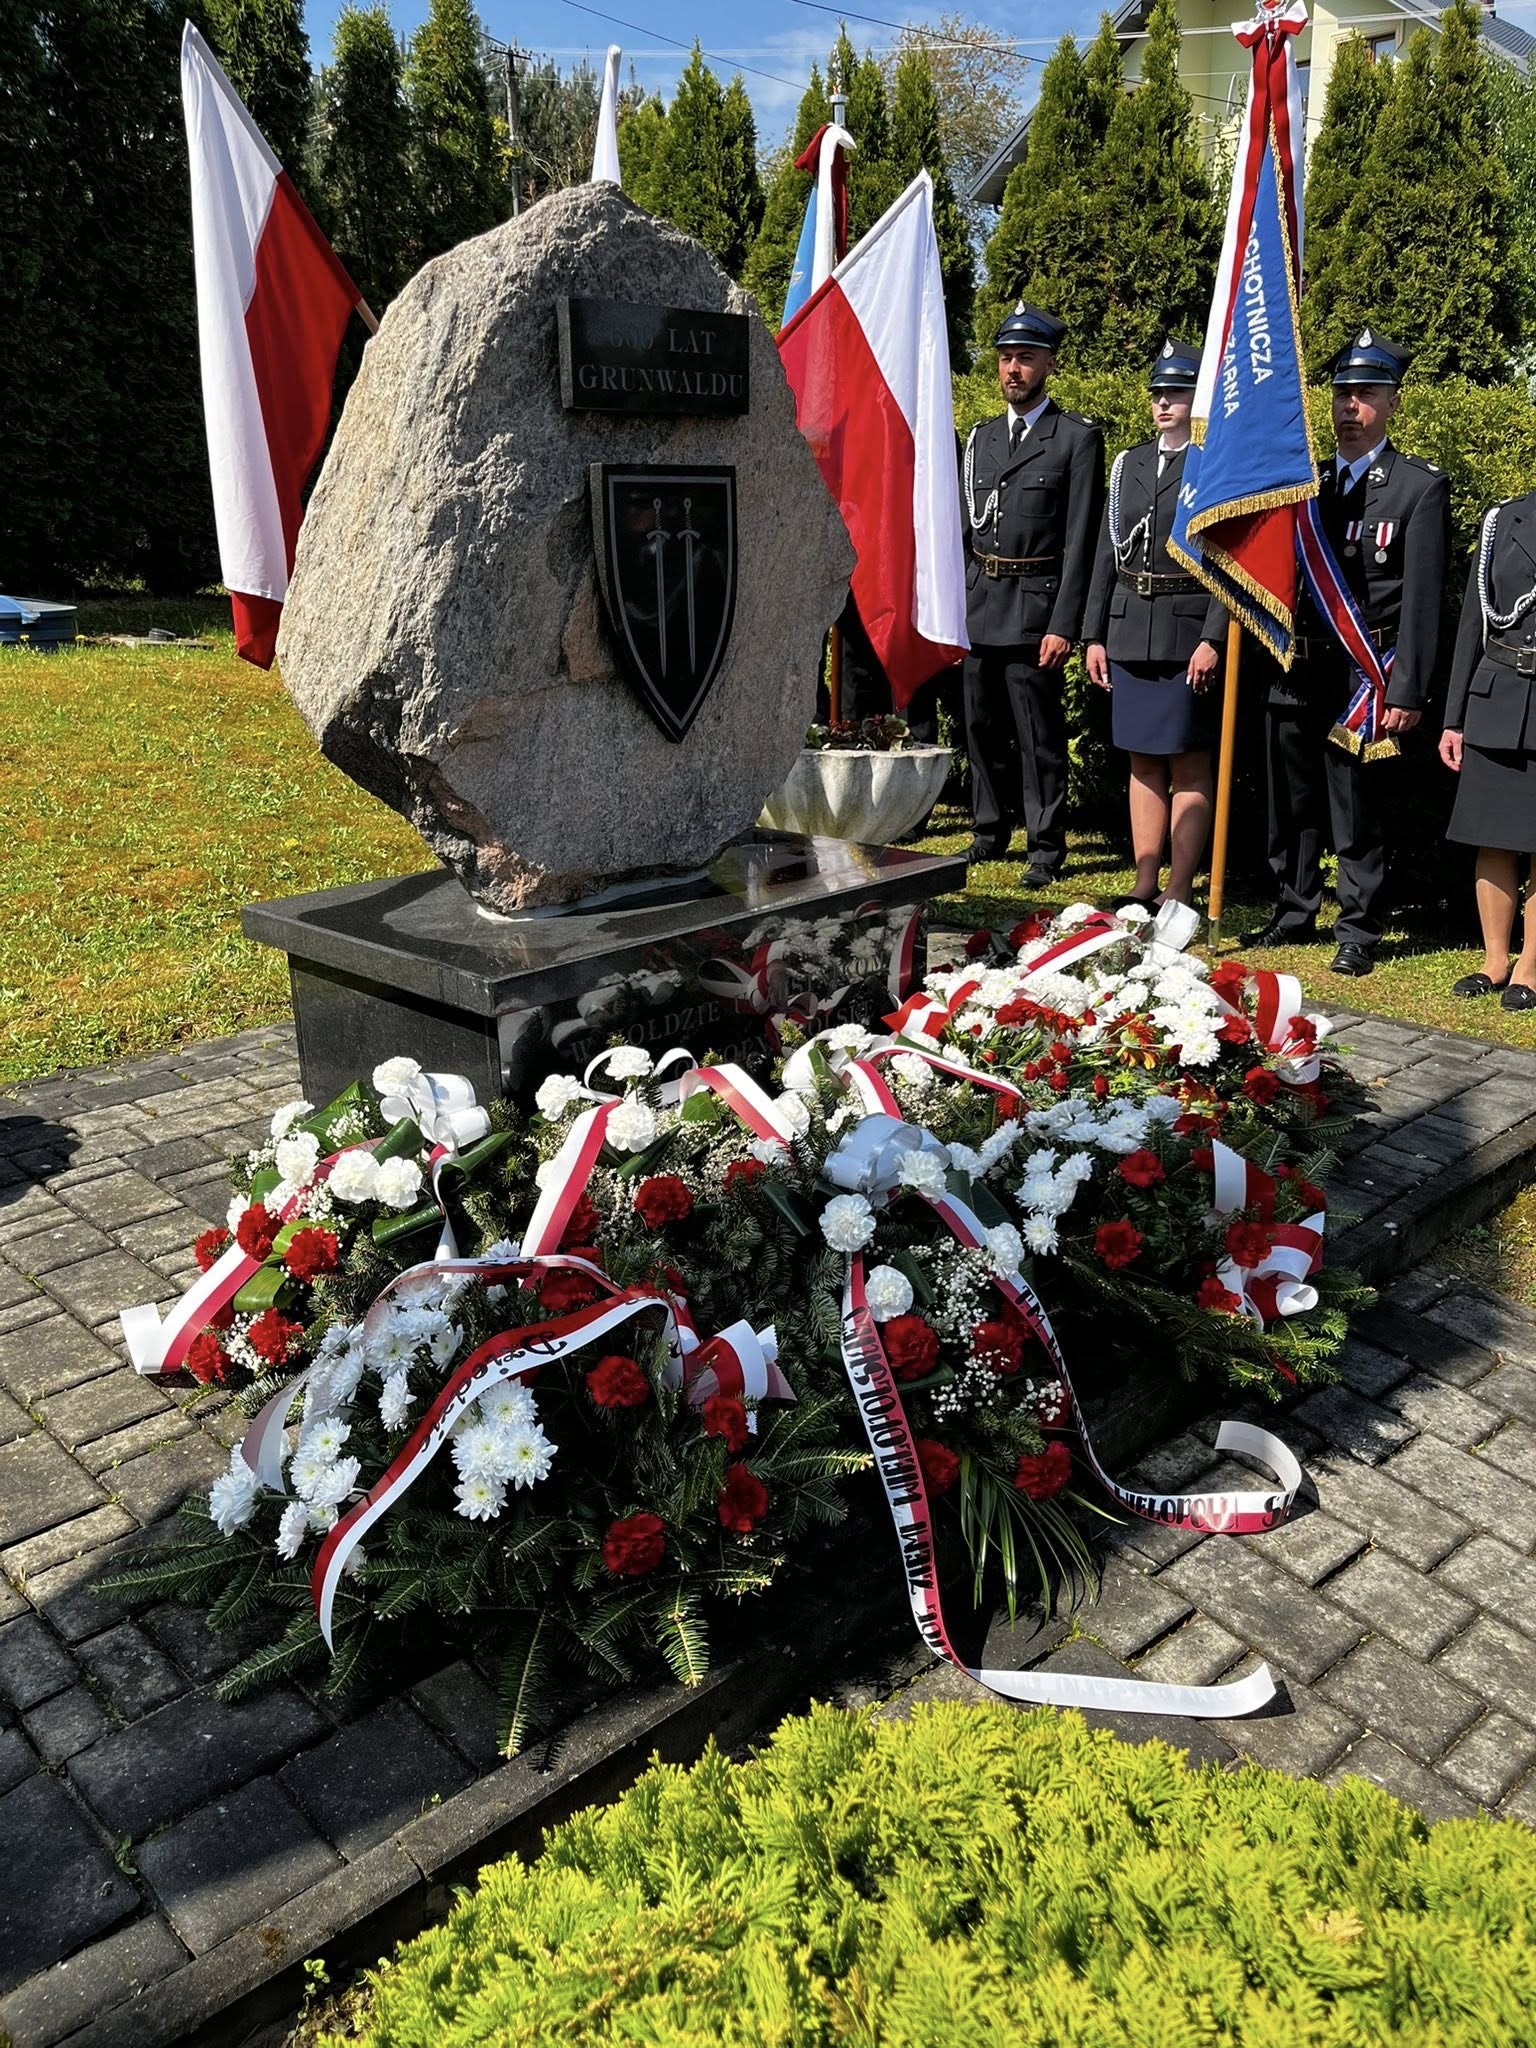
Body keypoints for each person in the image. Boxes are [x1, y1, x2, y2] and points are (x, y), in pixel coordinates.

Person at [1245, 330, 1450, 976]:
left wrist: (1408, 688)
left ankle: (1358, 927)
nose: (1350, 407)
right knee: (1292, 801)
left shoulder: (1417, 487)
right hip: (1298, 667)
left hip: (1365, 676)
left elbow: (1422, 602)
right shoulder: (1304, 484)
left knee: (1355, 807)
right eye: (1341, 394)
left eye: (1365, 394)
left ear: (1392, 403)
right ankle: (1294, 907)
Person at [958, 304, 1104, 883]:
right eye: (1005, 359)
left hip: (1034, 608)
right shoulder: (981, 438)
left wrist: (1064, 624)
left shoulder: (1075, 438)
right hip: (979, 603)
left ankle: (1044, 846)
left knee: (1037, 734)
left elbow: (1081, 540)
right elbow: (964, 531)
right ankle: (987, 831)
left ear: (1048, 364)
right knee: (978, 726)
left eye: (1024, 358)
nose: (1013, 369)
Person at [1083, 338, 1226, 909]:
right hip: (1129, 628)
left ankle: (1179, 884)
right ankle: (1145, 879)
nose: (1164, 402)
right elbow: (1106, 553)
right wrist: (1094, 633)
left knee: (1188, 764)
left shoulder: (1212, 464)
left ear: (1197, 399)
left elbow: (1227, 560)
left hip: (1186, 630)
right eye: (1158, 393)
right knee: (1141, 760)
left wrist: (1213, 637)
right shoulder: (1130, 463)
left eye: (1177, 392)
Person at [1439, 490, 1536, 1011]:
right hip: (1497, 692)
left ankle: (1530, 967)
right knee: (1493, 835)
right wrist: (1454, 717)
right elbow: (1472, 624)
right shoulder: (1503, 518)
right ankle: (1495, 960)